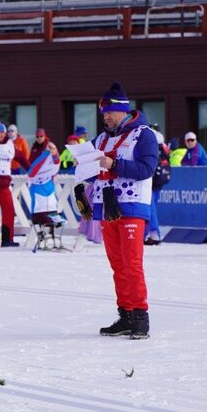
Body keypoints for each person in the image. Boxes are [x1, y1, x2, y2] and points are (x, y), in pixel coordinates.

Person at [75, 82, 157, 339]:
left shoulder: (143, 134)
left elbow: (146, 170)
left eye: (109, 112)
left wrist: (115, 164)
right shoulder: (100, 138)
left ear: (123, 111)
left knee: (132, 264)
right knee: (118, 265)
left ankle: (141, 317)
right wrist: (82, 181)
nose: (105, 116)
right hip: (107, 208)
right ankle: (126, 315)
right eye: (103, 113)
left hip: (132, 206)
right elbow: (93, 170)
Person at [145, 147, 172, 245]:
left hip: (151, 183)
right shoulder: (162, 148)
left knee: (150, 209)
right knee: (151, 208)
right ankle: (148, 234)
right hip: (158, 182)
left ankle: (154, 234)